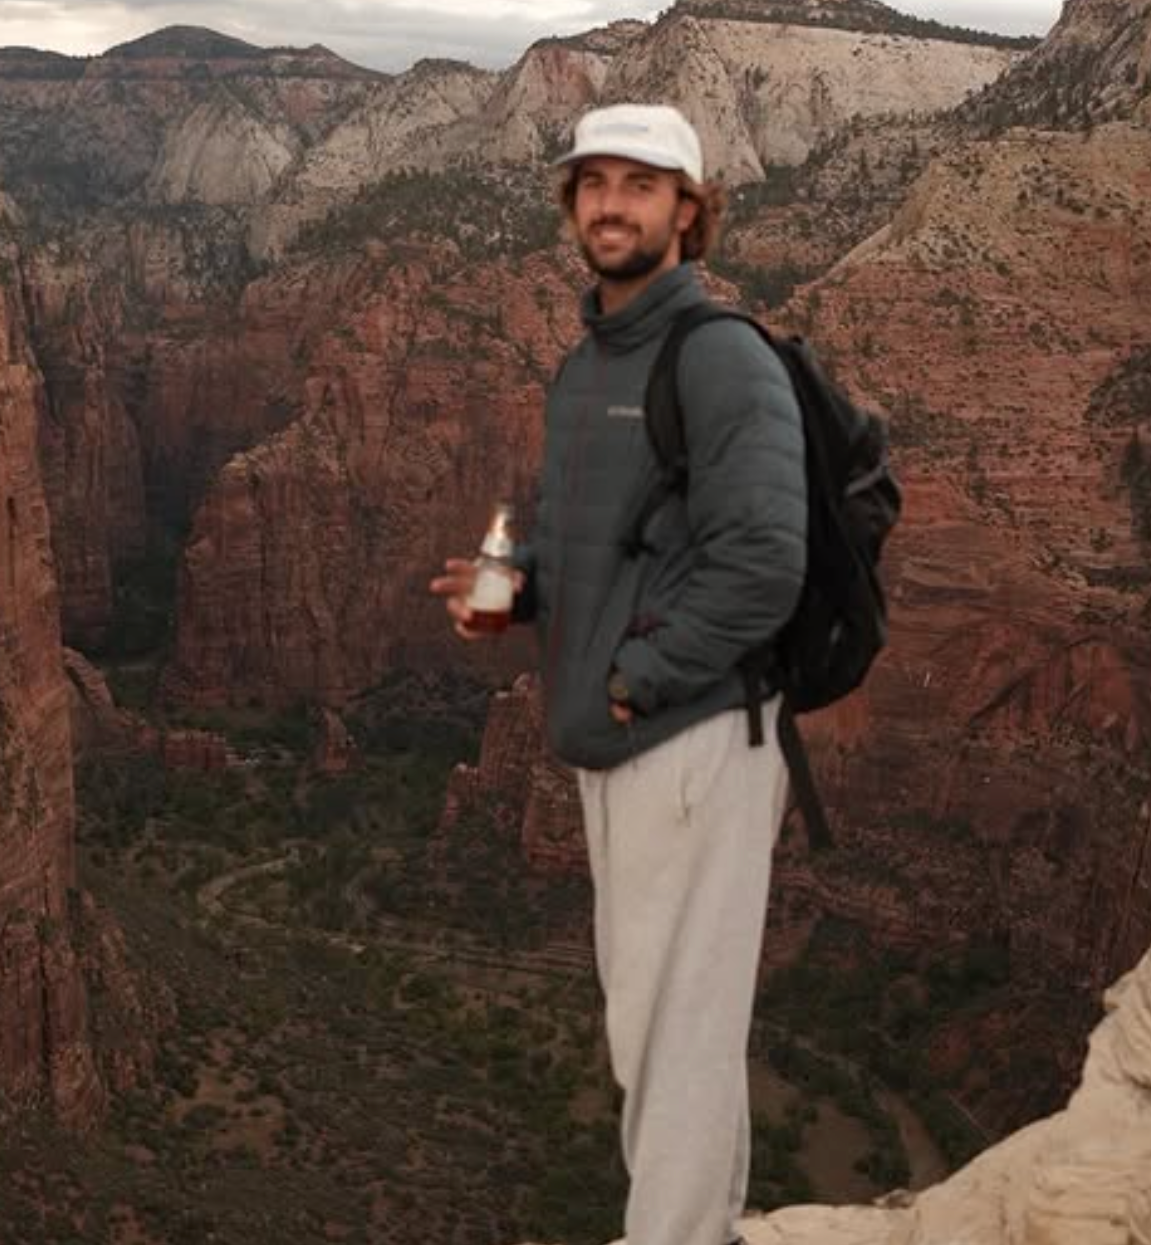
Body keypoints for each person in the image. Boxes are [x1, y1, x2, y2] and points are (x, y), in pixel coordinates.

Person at [429, 103, 807, 1245]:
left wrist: (635, 680)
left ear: (688, 212)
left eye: (640, 186)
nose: (610, 204)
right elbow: (614, 541)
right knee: (649, 1021)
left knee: (674, 1025)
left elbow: (764, 564)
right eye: (593, 182)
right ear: (570, 204)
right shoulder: (588, 360)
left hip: (688, 742)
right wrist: (524, 593)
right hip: (617, 733)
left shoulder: (720, 357)